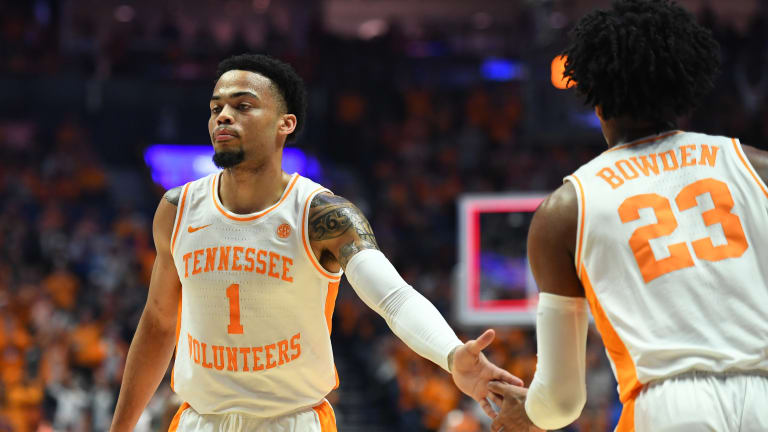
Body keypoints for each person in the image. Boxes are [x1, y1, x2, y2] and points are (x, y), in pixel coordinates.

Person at [109, 53, 520, 432]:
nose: (224, 117)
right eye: (216, 108)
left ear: (285, 123)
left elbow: (393, 297)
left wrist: (451, 353)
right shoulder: (177, 210)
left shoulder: (321, 214)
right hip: (200, 420)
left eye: (243, 106)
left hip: (291, 421)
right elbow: (158, 323)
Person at [487, 0, 768, 431]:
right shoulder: (756, 167)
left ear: (592, 95)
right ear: (685, 82)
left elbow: (561, 402)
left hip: (670, 411)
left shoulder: (564, 211)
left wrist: (529, 412)